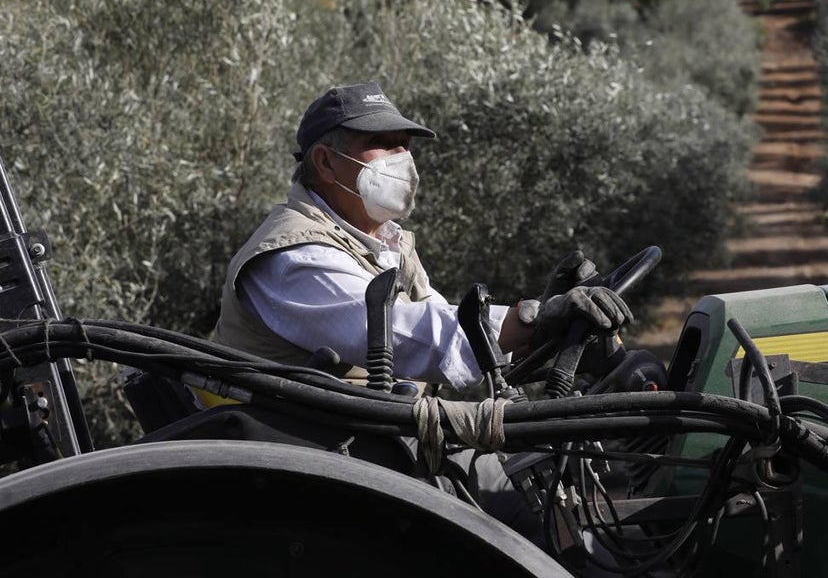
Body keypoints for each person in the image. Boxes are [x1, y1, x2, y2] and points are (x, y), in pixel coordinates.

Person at [215, 81, 632, 387]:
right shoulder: (294, 255)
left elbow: (443, 317)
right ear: (326, 163)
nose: (403, 160)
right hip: (299, 461)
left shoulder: (382, 241)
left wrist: (539, 326)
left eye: (405, 145)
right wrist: (537, 319)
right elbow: (404, 334)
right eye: (383, 144)